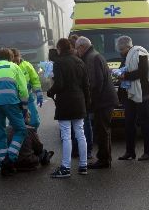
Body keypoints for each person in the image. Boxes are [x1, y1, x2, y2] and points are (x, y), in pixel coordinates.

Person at [47, 38, 91, 178]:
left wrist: (50, 91)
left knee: (66, 135)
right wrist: (87, 102)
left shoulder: (59, 63)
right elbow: (86, 85)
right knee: (80, 133)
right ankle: (83, 165)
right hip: (79, 101)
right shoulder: (80, 61)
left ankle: (65, 168)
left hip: (65, 102)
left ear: (60, 49)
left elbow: (59, 84)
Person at [0, 48, 29, 176]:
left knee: (0, 133)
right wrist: (24, 107)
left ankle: (3, 163)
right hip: (11, 102)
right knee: (21, 130)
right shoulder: (14, 67)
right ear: (11, 58)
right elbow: (23, 89)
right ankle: (11, 158)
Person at [115, 35, 149, 161]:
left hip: (143, 93)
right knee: (129, 123)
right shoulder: (126, 57)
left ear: (127, 47)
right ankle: (130, 152)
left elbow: (143, 72)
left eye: (121, 49)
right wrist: (118, 74)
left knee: (145, 122)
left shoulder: (140, 53)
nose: (120, 52)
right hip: (129, 93)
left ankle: (148, 152)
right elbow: (123, 69)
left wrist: (125, 76)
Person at [75, 36, 118, 169]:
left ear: (82, 47)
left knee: (102, 130)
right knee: (104, 130)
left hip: (103, 101)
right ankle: (105, 158)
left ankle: (104, 160)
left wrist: (90, 101)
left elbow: (95, 83)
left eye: (77, 49)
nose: (77, 52)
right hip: (106, 99)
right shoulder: (95, 55)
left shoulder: (91, 58)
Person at [68, 34, 93, 159]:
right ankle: (84, 151)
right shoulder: (81, 58)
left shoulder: (77, 59)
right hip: (82, 96)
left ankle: (81, 151)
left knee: (80, 125)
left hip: (78, 97)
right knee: (84, 124)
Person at [10, 48, 44, 129]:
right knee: (16, 123)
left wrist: (39, 93)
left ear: (19, 56)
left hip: (28, 98)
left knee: (34, 121)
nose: (15, 59)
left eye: (16, 56)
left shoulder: (26, 65)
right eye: (12, 57)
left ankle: (32, 136)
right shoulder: (9, 67)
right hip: (14, 100)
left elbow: (34, 80)